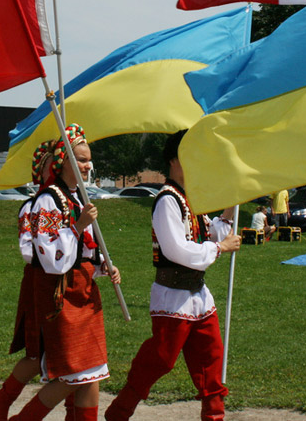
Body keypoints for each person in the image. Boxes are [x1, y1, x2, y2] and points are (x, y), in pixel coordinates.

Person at [105, 129, 241, 421]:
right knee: (161, 359)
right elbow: (177, 249)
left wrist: (230, 209)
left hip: (199, 296)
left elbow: (207, 232)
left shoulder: (189, 198)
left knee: (211, 358)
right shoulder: (168, 199)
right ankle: (119, 412)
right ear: (173, 160)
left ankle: (214, 417)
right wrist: (219, 248)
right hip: (173, 297)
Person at [9, 124, 121, 421]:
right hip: (62, 292)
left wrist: (103, 266)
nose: (88, 165)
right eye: (82, 160)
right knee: (75, 373)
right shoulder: (47, 200)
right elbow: (52, 260)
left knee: (92, 373)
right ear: (64, 162)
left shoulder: (76, 198)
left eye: (89, 160)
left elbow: (83, 251)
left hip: (84, 291)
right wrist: (79, 225)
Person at [0, 140, 57, 421]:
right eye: (52, 165)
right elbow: (29, 250)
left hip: (67, 284)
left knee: (72, 359)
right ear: (41, 171)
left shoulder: (71, 201)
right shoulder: (33, 206)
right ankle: (4, 397)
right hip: (40, 282)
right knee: (36, 352)